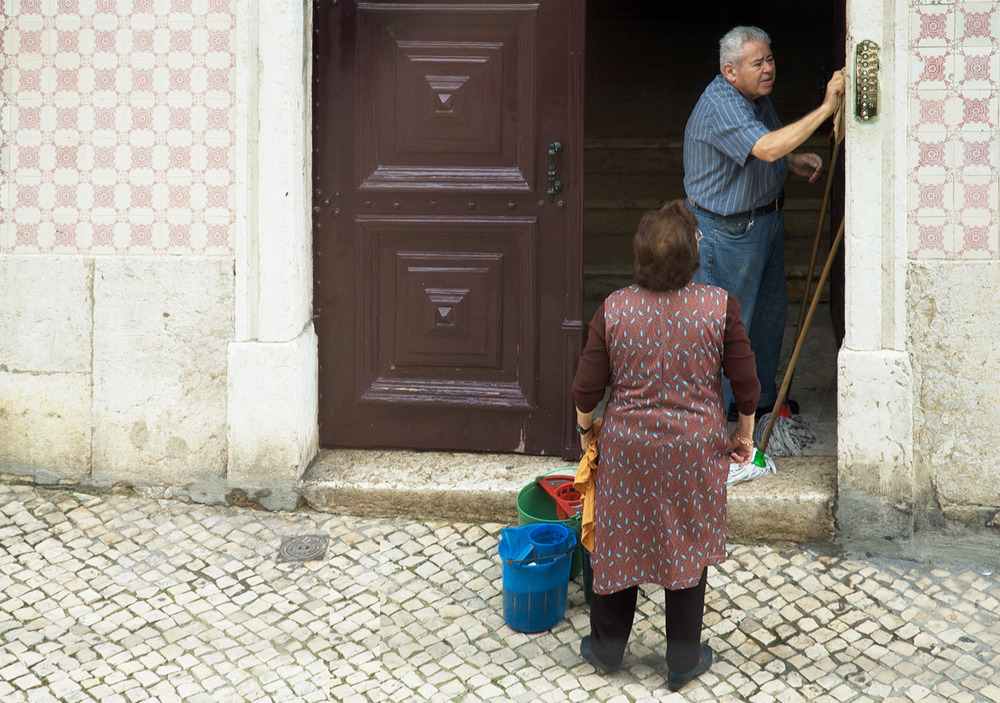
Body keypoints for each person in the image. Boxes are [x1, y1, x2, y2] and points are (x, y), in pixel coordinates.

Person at [572, 200, 761, 692]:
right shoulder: (720, 306)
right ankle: (682, 659)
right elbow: (746, 383)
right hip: (695, 451)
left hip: (628, 450)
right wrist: (743, 434)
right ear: (692, 254)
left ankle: (608, 650)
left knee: (618, 542)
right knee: (688, 544)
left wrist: (586, 432)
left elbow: (585, 390)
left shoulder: (613, 308)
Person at [683, 25, 846, 419]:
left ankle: (760, 406)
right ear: (730, 71)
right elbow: (765, 146)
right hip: (727, 233)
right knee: (727, 329)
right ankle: (717, 419)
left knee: (769, 320)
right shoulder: (721, 104)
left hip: (763, 224)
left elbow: (763, 148)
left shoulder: (754, 96)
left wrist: (790, 162)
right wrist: (826, 110)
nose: (768, 68)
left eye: (770, 59)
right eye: (757, 63)